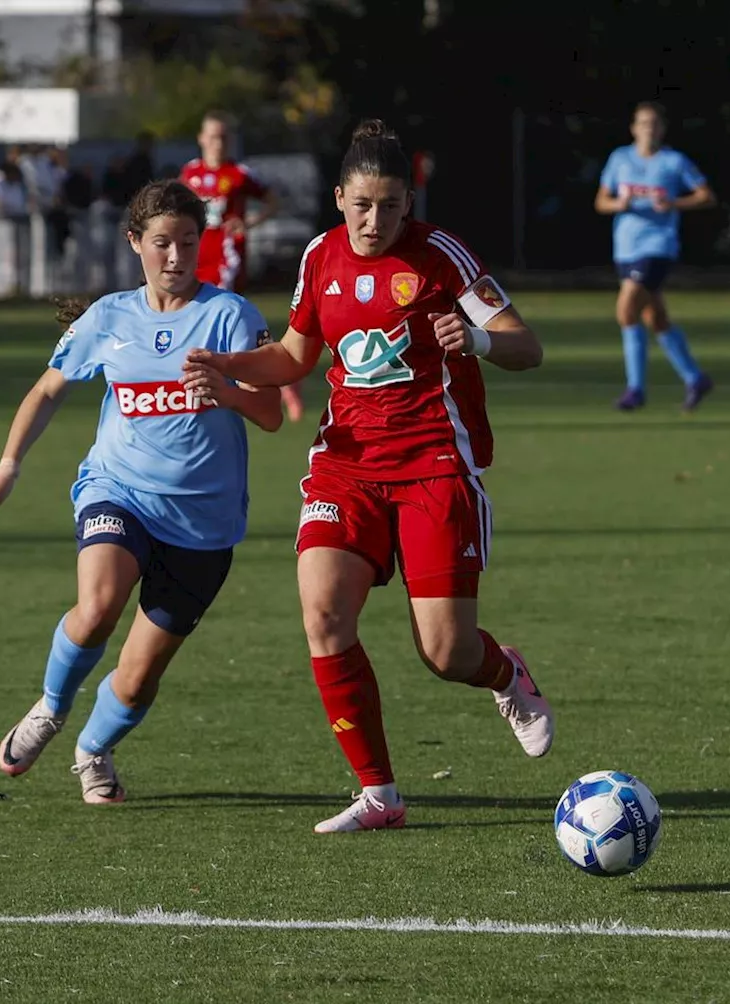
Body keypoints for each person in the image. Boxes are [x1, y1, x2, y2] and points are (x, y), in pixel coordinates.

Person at [183, 120, 553, 833]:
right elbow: (293, 356)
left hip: (434, 464)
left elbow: (526, 347)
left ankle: (506, 675)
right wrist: (225, 366)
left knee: (445, 653)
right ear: (338, 199)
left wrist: (474, 338)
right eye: (361, 204)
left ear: (408, 202)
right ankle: (379, 793)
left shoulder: (442, 256)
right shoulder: (320, 256)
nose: (374, 220)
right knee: (323, 616)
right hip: (345, 465)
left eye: (388, 205)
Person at [0, 180, 283, 804]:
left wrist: (226, 391)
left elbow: (271, 414)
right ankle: (52, 709)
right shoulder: (108, 318)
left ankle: (93, 749)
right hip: (119, 492)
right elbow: (47, 391)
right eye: (162, 243)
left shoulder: (231, 317)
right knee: (98, 607)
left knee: (137, 682)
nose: (175, 257)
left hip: (203, 522)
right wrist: (7, 466)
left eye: (188, 243)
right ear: (135, 242)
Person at [180, 111, 305, 423]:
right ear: (201, 138)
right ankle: (275, 375)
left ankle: (277, 381)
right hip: (195, 256)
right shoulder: (189, 174)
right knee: (207, 320)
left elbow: (273, 201)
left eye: (222, 136)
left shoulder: (238, 173)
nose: (217, 142)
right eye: (212, 136)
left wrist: (248, 222)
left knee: (222, 318)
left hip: (227, 259)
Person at [595, 101, 717, 411]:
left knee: (625, 310)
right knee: (655, 318)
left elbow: (705, 195)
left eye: (654, 123)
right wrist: (617, 205)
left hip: (657, 247)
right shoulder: (619, 159)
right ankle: (695, 378)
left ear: (662, 129)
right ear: (633, 128)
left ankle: (635, 390)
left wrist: (674, 203)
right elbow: (601, 201)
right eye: (643, 123)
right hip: (625, 247)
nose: (648, 128)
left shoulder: (673, 162)